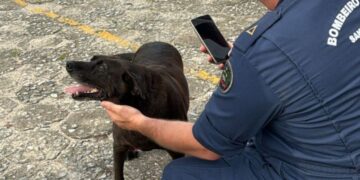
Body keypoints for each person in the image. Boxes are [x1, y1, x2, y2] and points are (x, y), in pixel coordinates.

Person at [101, 0, 360, 179]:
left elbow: (206, 145)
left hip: (325, 170)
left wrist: (140, 123)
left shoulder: (263, 49)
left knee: (179, 173)